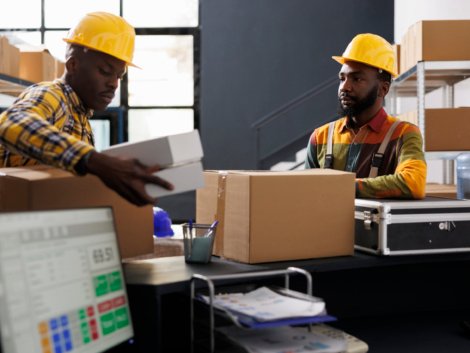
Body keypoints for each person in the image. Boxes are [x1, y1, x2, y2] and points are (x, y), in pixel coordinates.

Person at [0, 12, 173, 206]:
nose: (114, 84)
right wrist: (95, 161)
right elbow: (10, 122)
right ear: (73, 65)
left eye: (119, 75)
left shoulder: (80, 116)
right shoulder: (52, 96)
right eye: (105, 72)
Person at [305, 33, 427, 199]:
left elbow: (413, 184)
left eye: (357, 79)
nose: (344, 87)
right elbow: (305, 192)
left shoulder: (404, 134)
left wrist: (340, 186)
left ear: (383, 89)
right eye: (342, 79)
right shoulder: (320, 137)